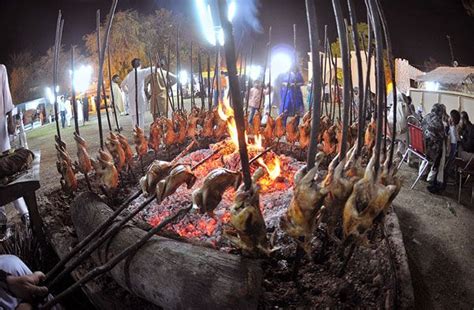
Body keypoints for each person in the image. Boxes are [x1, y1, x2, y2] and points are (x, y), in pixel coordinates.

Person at [0, 64, 30, 231]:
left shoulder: (1, 69)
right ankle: (1, 220)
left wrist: (10, 120)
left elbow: (7, 97)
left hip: (0, 126)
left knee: (9, 170)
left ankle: (24, 212)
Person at [421, 103, 446, 193]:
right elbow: (443, 136)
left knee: (438, 147)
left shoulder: (426, 117)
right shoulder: (439, 123)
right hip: (430, 151)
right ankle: (434, 178)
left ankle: (423, 173)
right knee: (442, 153)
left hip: (421, 146)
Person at [121, 58, 152, 128]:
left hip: (132, 100)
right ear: (139, 64)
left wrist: (128, 92)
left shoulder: (129, 75)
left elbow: (122, 85)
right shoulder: (140, 72)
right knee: (141, 118)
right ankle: (140, 134)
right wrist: (158, 66)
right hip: (140, 99)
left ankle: (136, 133)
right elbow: (150, 70)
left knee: (134, 118)